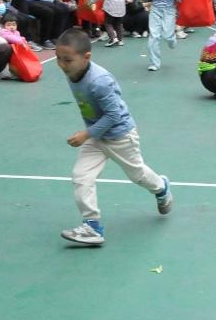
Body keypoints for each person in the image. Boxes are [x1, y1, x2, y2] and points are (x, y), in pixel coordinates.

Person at [54, 28, 173, 246]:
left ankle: (161, 187)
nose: (62, 65)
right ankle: (92, 226)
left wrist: (86, 133)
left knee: (138, 175)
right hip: (96, 137)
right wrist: (91, 134)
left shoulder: (99, 81)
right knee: (81, 176)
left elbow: (114, 115)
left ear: (86, 57)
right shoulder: (73, 72)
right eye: (58, 59)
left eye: (67, 60)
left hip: (120, 136)